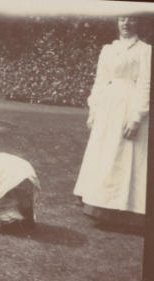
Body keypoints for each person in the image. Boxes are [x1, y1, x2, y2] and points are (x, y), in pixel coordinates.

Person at [74, 16, 151, 227]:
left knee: (123, 154)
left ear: (139, 24)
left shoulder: (145, 50)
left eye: (131, 20)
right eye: (122, 19)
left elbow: (146, 84)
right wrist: (94, 110)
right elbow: (100, 80)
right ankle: (97, 203)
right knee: (103, 152)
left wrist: (137, 118)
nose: (126, 24)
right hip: (108, 106)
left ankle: (123, 211)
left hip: (129, 105)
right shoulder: (108, 49)